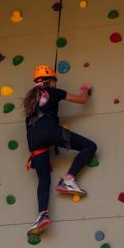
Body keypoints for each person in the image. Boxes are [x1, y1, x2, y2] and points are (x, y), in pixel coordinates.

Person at [23, 64, 96, 235]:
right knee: (90, 146)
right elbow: (81, 100)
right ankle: (68, 179)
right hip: (48, 130)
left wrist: (31, 154)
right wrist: (85, 89)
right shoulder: (53, 92)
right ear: (51, 80)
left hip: (33, 140)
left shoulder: (30, 100)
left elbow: (30, 125)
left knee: (43, 179)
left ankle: (42, 214)